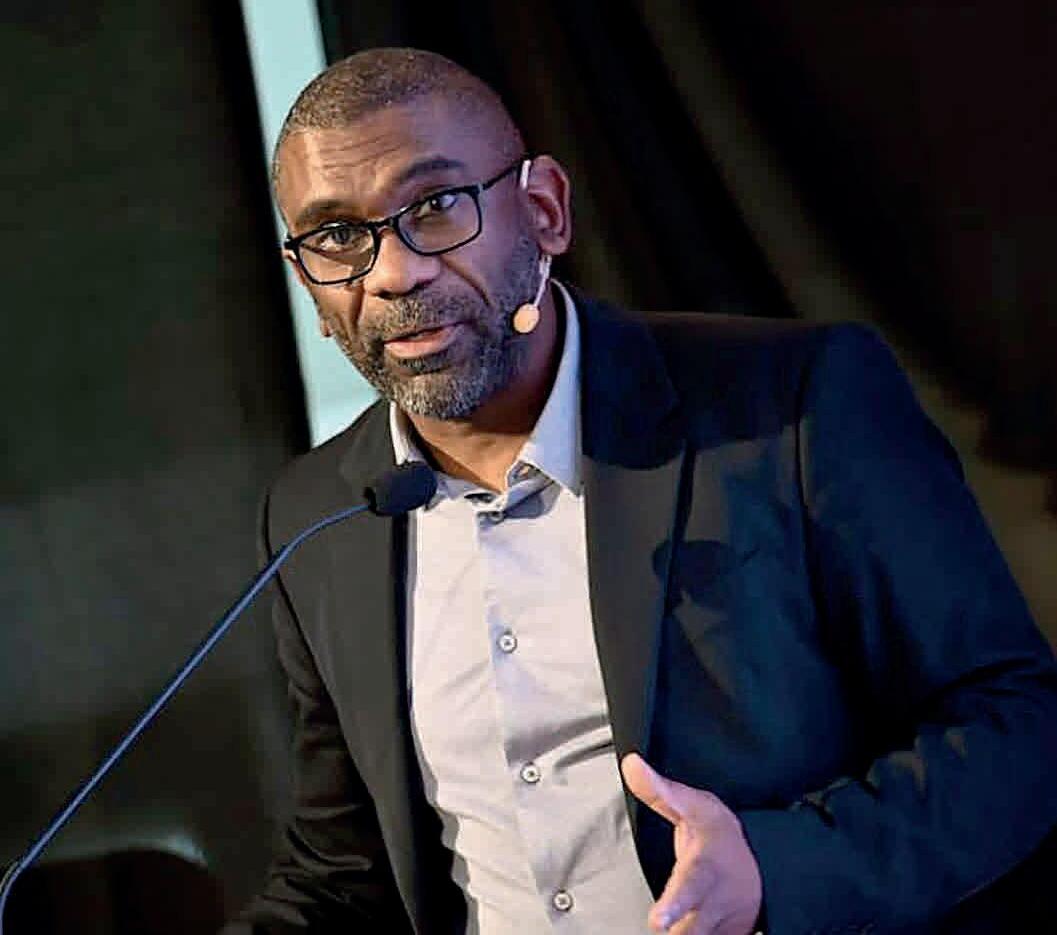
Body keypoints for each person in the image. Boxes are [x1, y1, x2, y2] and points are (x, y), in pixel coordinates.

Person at [222, 48, 1057, 934]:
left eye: (434, 207)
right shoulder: (317, 517)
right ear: (307, 280)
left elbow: (1018, 731)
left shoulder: (791, 406)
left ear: (544, 210)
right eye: (336, 237)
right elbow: (340, 872)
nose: (393, 273)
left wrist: (778, 869)